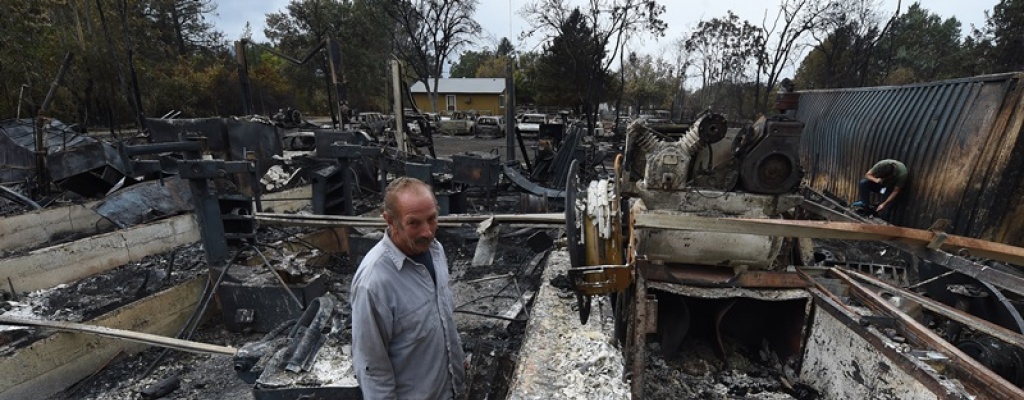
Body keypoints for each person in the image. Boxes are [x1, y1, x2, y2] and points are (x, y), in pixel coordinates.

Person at [350, 177, 465, 400]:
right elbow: (372, 370)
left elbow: (443, 318)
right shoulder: (374, 283)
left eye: (432, 219)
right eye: (414, 223)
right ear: (390, 221)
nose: (427, 232)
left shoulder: (436, 251)